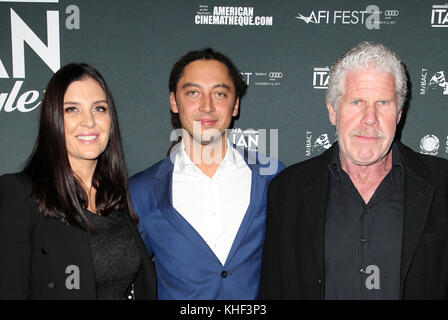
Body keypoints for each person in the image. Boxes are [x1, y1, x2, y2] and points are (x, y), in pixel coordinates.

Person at [259, 42, 448, 300]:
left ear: (399, 114)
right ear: (333, 111)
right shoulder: (287, 190)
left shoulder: (443, 184)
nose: (370, 118)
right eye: (357, 101)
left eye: (383, 103)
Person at [129, 48, 284, 299]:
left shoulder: (274, 177)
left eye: (220, 93)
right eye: (193, 92)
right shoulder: (141, 190)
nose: (207, 106)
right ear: (173, 101)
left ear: (235, 105)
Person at [0, 63, 156, 299]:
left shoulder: (116, 196)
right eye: (72, 109)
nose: (89, 121)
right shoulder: (20, 195)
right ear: (53, 118)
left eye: (99, 109)